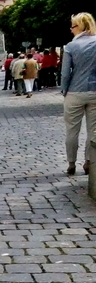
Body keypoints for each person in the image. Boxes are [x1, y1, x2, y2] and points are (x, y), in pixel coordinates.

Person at [61, 12, 96, 176]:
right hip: (95, 92)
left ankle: (71, 163)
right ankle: (89, 162)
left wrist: (64, 90)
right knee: (93, 130)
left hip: (75, 91)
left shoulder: (71, 46)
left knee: (72, 130)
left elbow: (66, 73)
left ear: (80, 27)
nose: (71, 30)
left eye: (72, 26)